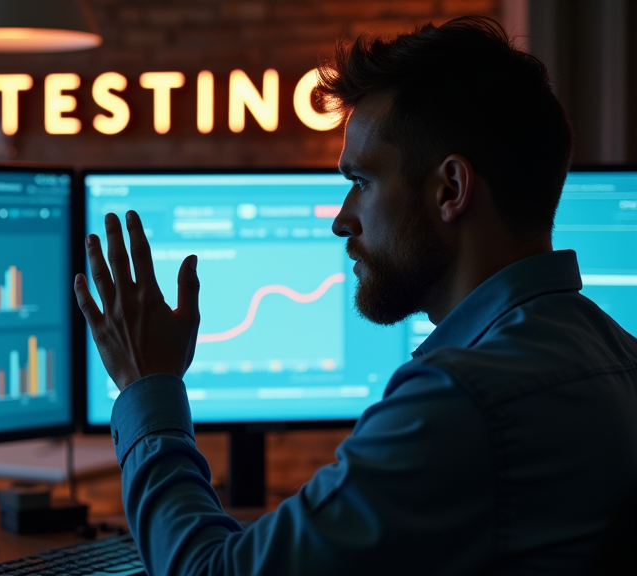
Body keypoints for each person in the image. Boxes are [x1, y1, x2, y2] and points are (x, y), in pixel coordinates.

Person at [73, 16, 637, 575]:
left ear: (450, 190)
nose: (342, 221)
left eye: (361, 182)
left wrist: (149, 385)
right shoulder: (619, 355)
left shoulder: (462, 401)